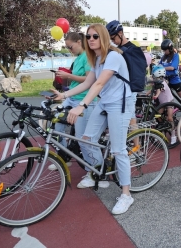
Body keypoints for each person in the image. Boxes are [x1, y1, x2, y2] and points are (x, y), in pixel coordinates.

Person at [51, 23, 135, 215]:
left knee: (118, 149)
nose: (91, 39)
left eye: (95, 36)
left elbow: (98, 83)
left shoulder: (113, 56)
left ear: (103, 37)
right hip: (105, 103)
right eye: (88, 36)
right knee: (87, 140)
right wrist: (63, 96)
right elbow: (88, 83)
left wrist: (82, 105)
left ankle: (126, 195)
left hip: (120, 104)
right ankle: (97, 172)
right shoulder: (96, 60)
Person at [50, 32, 100, 176]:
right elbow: (76, 81)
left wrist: (68, 76)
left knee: (82, 137)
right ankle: (64, 157)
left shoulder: (88, 58)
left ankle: (92, 171)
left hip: (83, 99)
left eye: (70, 47)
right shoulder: (78, 58)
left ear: (79, 42)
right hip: (72, 98)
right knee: (56, 126)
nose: (69, 50)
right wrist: (63, 88)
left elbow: (88, 80)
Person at [106, 20, 140, 130]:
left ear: (120, 34)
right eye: (110, 39)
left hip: (129, 90)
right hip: (117, 90)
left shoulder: (133, 49)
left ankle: (137, 146)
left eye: (113, 38)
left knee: (131, 119)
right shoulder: (115, 50)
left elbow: (136, 72)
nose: (112, 41)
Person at [159, 39, 181, 110]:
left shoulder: (176, 56)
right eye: (163, 50)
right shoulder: (163, 57)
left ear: (170, 48)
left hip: (174, 80)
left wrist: (162, 67)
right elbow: (158, 66)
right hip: (165, 80)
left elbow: (172, 67)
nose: (164, 52)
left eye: (165, 50)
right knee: (164, 98)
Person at [147, 65, 177, 145]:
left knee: (170, 118)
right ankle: (162, 132)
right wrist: (147, 94)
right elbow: (153, 88)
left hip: (169, 101)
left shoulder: (162, 83)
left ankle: (173, 135)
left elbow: (159, 89)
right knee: (158, 116)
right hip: (162, 103)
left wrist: (156, 96)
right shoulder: (157, 82)